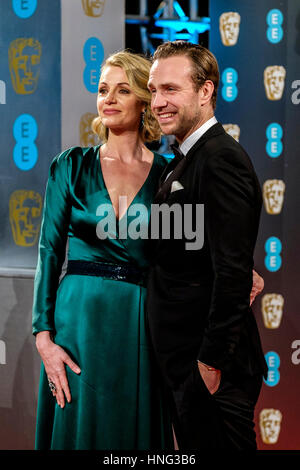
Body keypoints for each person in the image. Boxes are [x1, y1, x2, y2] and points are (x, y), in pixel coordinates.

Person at [32, 50, 174, 450]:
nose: (108, 98)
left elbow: (187, 249)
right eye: (102, 89)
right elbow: (48, 252)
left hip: (140, 322)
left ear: (144, 100)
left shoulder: (169, 174)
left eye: (122, 90)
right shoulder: (71, 165)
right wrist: (44, 337)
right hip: (77, 324)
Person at [146, 40, 268, 450]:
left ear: (205, 91)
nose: (158, 102)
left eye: (171, 89)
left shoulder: (220, 160)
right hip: (185, 364)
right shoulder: (184, 159)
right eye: (153, 90)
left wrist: (208, 366)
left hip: (212, 369)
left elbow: (232, 272)